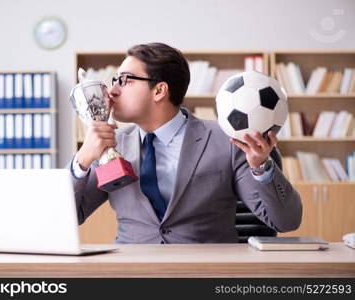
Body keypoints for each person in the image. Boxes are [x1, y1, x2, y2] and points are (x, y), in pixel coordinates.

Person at [68, 42, 302, 244]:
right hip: (132, 272)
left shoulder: (227, 141)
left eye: (124, 80)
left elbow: (286, 220)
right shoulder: (109, 144)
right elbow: (70, 215)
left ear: (159, 90)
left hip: (206, 273)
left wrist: (262, 167)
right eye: (114, 80)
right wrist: (82, 161)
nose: (112, 91)